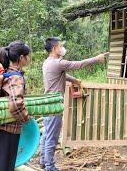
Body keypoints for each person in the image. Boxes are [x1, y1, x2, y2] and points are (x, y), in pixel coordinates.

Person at [40, 37, 108, 170]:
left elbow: (60, 75)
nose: (62, 48)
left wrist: (74, 80)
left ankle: (43, 161)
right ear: (54, 48)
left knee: (47, 133)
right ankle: (50, 167)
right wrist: (96, 58)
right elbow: (78, 64)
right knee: (52, 137)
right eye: (60, 46)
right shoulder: (58, 62)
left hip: (47, 101)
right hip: (55, 102)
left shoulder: (47, 62)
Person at [0, 41, 31, 171]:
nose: (29, 59)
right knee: (3, 166)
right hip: (7, 129)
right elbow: (16, 104)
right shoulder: (15, 77)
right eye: (28, 56)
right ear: (21, 57)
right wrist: (26, 118)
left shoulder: (3, 72)